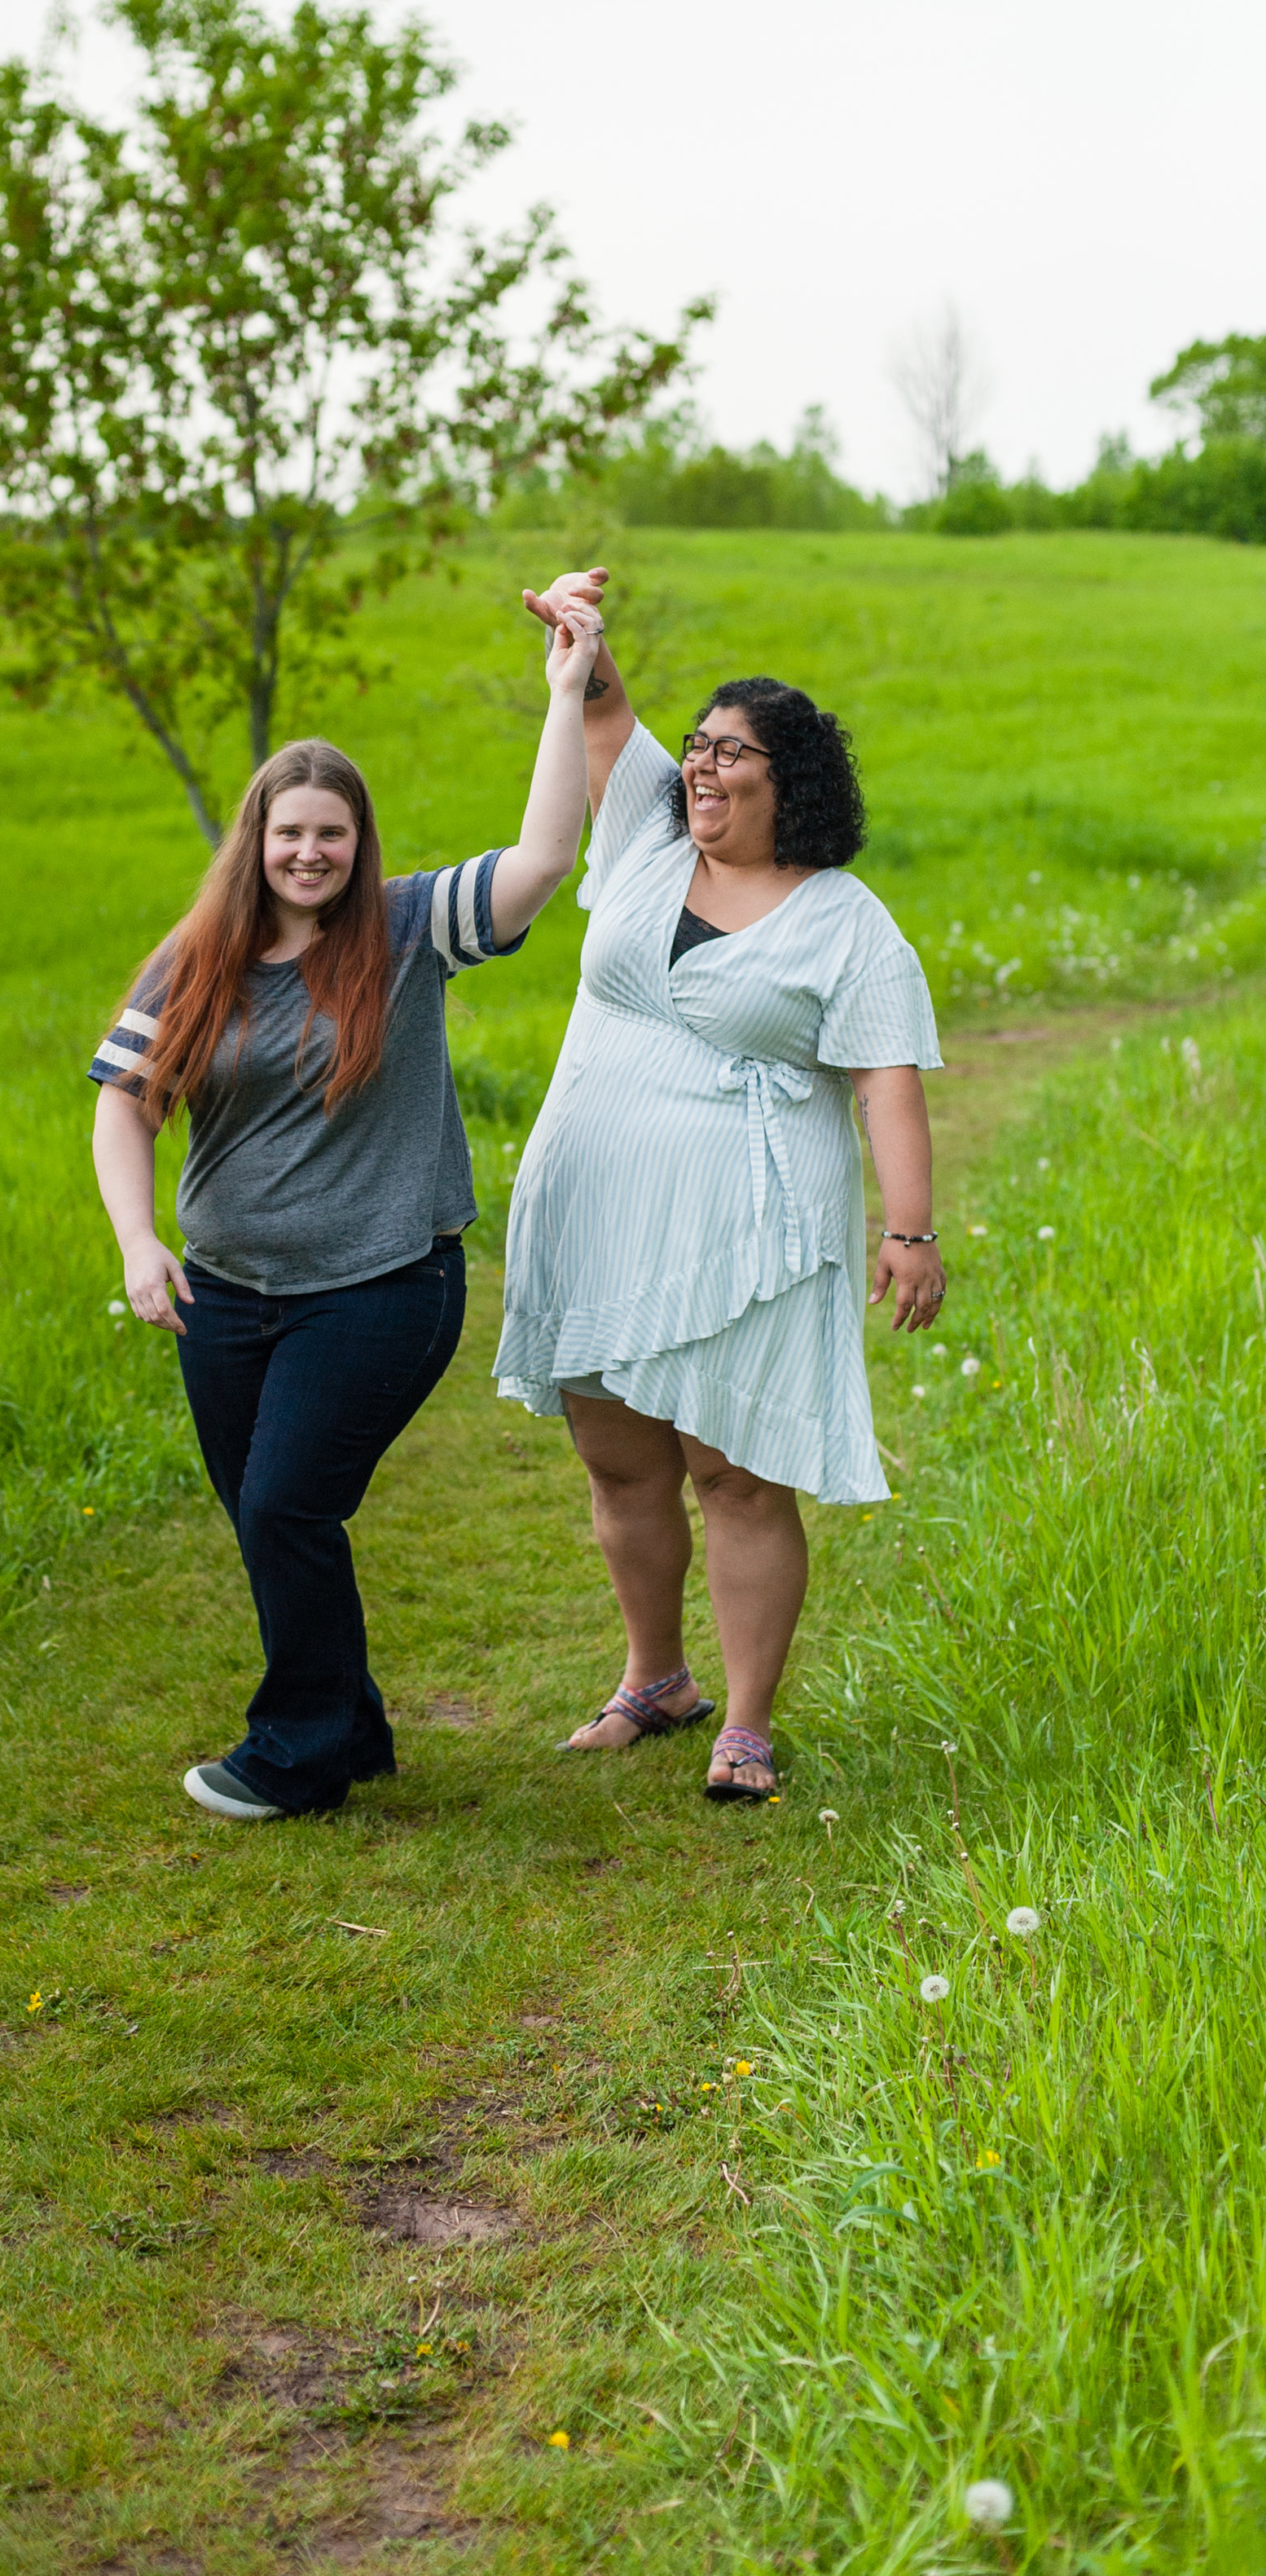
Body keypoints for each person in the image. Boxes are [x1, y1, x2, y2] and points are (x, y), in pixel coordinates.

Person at [88, 600, 604, 1820]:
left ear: (359, 842)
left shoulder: (408, 926)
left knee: (285, 1503)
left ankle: (297, 1755)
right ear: (255, 839)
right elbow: (124, 1106)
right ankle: (354, 1722)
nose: (309, 853)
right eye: (289, 832)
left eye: (331, 833)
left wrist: (565, 691)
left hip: (381, 1284)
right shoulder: (199, 954)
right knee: (272, 1518)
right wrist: (138, 1239)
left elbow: (542, 862)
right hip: (225, 1295)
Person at [495, 566, 945, 1804]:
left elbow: (886, 1082)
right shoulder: (644, 836)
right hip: (595, 1202)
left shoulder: (847, 922)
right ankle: (656, 1678)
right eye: (694, 746)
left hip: (745, 1227)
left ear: (786, 782)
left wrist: (908, 1229)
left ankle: (744, 1721)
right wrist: (581, 633)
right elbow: (601, 713)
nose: (698, 765)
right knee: (621, 1464)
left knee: (734, 1470)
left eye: (729, 752)